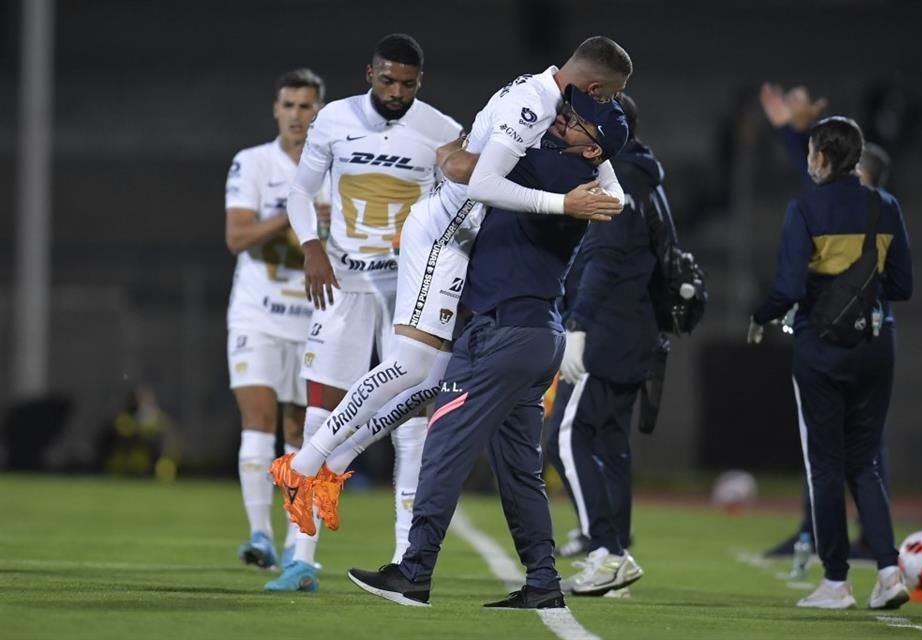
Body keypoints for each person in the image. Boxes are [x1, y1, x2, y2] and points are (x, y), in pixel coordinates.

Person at [270, 36, 632, 545]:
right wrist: (564, 205)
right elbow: (481, 182)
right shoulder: (533, 105)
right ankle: (303, 466)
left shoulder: (559, 101)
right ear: (594, 87)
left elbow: (612, 184)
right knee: (410, 366)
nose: (611, 103)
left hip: (465, 242)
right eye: (612, 95)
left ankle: (330, 464)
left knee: (432, 377)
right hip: (442, 236)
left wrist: (602, 195)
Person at [346, 87, 630, 609]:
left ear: (592, 148)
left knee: (443, 445)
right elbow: (606, 186)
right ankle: (543, 582)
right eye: (565, 111)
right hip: (534, 334)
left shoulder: (556, 173)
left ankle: (415, 572)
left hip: (505, 334)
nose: (560, 119)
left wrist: (452, 146)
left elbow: (462, 169)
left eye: (574, 121)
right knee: (520, 471)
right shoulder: (579, 177)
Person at [268, 34, 462, 589]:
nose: (397, 92)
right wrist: (311, 248)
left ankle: (404, 558)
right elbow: (301, 194)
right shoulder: (332, 119)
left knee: (413, 417)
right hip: (344, 280)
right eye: (387, 80)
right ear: (368, 73)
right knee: (319, 410)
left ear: (419, 83)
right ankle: (301, 557)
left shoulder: (442, 130)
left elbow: (457, 206)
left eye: (407, 83)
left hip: (409, 285)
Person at [748, 116, 913, 609]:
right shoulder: (885, 206)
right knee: (866, 464)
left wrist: (762, 316)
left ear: (820, 157)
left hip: (822, 348)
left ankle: (837, 582)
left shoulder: (806, 206)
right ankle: (888, 573)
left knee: (825, 467)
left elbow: (789, 288)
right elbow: (903, 287)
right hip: (877, 347)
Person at [544, 93, 673, 595]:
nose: (566, 129)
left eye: (576, 123)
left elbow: (602, 260)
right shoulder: (649, 181)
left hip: (605, 331)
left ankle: (605, 551)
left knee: (564, 438)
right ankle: (616, 554)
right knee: (610, 447)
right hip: (638, 332)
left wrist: (578, 325)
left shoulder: (614, 181)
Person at [224, 68, 326, 582]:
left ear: (318, 112)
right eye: (289, 105)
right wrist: (295, 216)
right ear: (275, 109)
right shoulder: (253, 162)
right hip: (257, 314)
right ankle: (259, 532)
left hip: (315, 317)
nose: (296, 115)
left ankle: (295, 544)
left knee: (300, 434)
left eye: (307, 107)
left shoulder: (333, 167)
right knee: (258, 421)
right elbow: (237, 236)